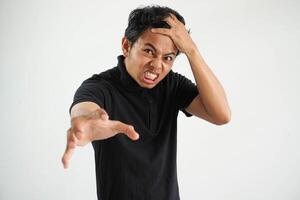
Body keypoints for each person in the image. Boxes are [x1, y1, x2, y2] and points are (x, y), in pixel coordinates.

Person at [61, 5, 231, 200]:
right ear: (126, 46)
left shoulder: (172, 85)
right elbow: (85, 108)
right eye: (149, 51)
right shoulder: (100, 86)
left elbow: (222, 115)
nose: (157, 65)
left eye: (168, 58)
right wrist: (85, 121)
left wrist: (192, 50)